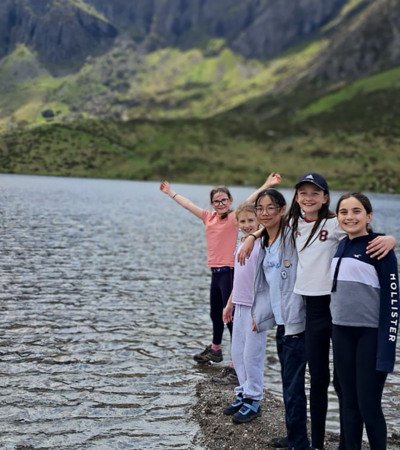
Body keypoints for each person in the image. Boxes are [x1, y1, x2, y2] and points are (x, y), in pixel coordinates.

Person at [238, 173, 395, 449]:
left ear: (325, 198)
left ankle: (349, 441)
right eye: (303, 193)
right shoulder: (293, 223)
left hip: (336, 306)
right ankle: (317, 443)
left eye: (315, 193)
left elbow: (364, 233)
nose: (308, 198)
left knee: (343, 383)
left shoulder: (335, 223)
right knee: (318, 378)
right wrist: (252, 235)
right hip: (311, 310)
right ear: (297, 197)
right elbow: (270, 222)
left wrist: (391, 239)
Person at [159, 173, 281, 370]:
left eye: (224, 200)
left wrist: (267, 184)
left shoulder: (234, 218)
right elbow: (188, 204)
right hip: (215, 273)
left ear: (230, 200)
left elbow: (250, 200)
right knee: (215, 313)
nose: (220, 203)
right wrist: (170, 192)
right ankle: (215, 348)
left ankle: (236, 360)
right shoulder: (208, 218)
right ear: (212, 203)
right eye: (216, 201)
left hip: (229, 273)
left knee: (230, 316)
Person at [330, 192, 399, 450]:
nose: (350, 217)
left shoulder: (379, 247)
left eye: (356, 211)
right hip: (341, 333)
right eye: (343, 212)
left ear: (368, 216)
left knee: (368, 405)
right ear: (337, 217)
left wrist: (386, 351)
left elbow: (393, 303)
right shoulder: (340, 244)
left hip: (369, 335)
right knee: (348, 402)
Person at [252, 188, 309, 449]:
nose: (264, 213)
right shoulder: (266, 241)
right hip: (281, 322)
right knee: (288, 381)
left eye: (270, 207)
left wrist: (385, 239)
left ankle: (300, 442)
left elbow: (324, 223)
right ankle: (294, 435)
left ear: (282, 210)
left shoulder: (291, 235)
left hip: (297, 322)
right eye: (260, 208)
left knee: (295, 384)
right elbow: (266, 287)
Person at [222, 203, 264, 423]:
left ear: (258, 222)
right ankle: (243, 391)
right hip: (239, 304)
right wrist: (229, 304)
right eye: (243, 221)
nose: (247, 225)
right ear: (237, 224)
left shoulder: (263, 243)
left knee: (252, 355)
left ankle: (254, 399)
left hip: (256, 307)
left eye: (251, 220)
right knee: (237, 353)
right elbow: (238, 280)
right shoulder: (239, 245)